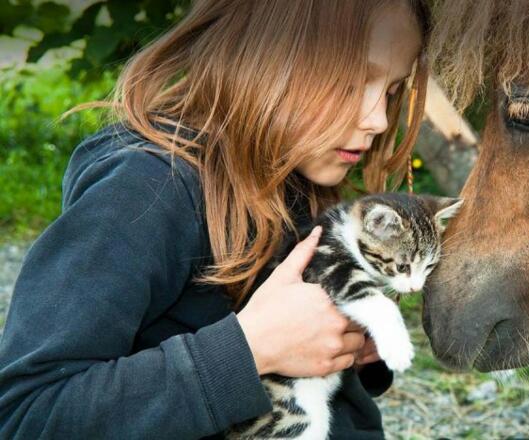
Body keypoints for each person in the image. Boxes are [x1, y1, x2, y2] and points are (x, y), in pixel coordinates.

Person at [0, 0, 428, 438]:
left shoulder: (296, 169)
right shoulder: (144, 190)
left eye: (391, 91)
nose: (376, 119)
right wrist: (251, 349)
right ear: (263, 55)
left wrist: (347, 348)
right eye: (353, 82)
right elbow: (27, 413)